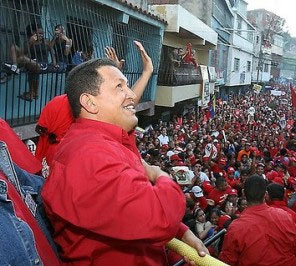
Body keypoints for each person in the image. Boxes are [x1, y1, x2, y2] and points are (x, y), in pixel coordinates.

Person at [41, 40, 207, 265]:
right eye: (119, 87)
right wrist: (159, 174)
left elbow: (128, 206)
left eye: (127, 85)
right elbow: (158, 215)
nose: (130, 94)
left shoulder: (105, 143)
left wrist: (182, 232)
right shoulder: (90, 157)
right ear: (89, 102)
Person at [219, 175, 296, 266]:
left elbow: (227, 261)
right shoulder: (285, 216)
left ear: (243, 193)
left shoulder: (235, 228)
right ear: (265, 194)